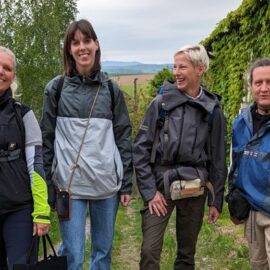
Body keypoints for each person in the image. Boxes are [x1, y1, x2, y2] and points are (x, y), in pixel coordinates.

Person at [40, 19, 133, 270]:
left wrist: (126, 184)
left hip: (106, 187)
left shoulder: (111, 90)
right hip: (69, 189)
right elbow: (45, 140)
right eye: (76, 42)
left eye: (87, 41)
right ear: (69, 50)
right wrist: (47, 185)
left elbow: (123, 135)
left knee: (102, 254)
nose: (82, 47)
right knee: (73, 256)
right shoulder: (55, 89)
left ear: (96, 45)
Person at [133, 44, 227, 270]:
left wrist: (216, 200)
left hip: (195, 187)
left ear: (200, 69)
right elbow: (140, 149)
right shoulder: (160, 104)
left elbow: (218, 158)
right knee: (149, 252)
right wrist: (149, 192)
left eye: (182, 67)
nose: (176, 72)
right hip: (160, 187)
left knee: (186, 255)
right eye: (174, 66)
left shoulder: (212, 110)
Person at [0, 46, 50, 269]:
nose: (1, 71)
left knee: (21, 265)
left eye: (7, 68)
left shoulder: (25, 115)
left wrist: (41, 212)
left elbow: (36, 166)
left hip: (18, 210)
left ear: (13, 77)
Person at [228, 58, 270, 270]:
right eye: (258, 82)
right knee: (257, 265)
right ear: (251, 86)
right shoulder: (241, 123)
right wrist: (233, 199)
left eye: (269, 82)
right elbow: (236, 163)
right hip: (252, 210)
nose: (264, 88)